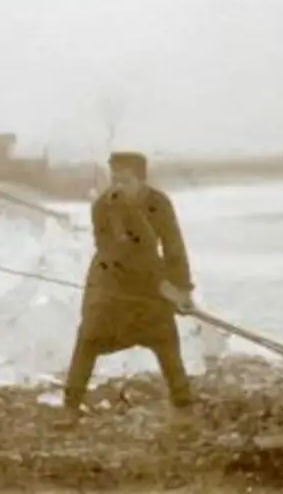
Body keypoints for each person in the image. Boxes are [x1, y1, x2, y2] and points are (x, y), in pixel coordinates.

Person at [62, 151, 196, 420]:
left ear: (142, 181)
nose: (118, 187)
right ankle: (70, 406)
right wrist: (162, 286)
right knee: (88, 339)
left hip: (150, 286)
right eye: (115, 180)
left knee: (166, 340)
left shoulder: (159, 203)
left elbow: (174, 247)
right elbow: (116, 253)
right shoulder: (103, 206)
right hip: (110, 283)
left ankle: (183, 406)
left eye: (126, 181)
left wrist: (181, 290)